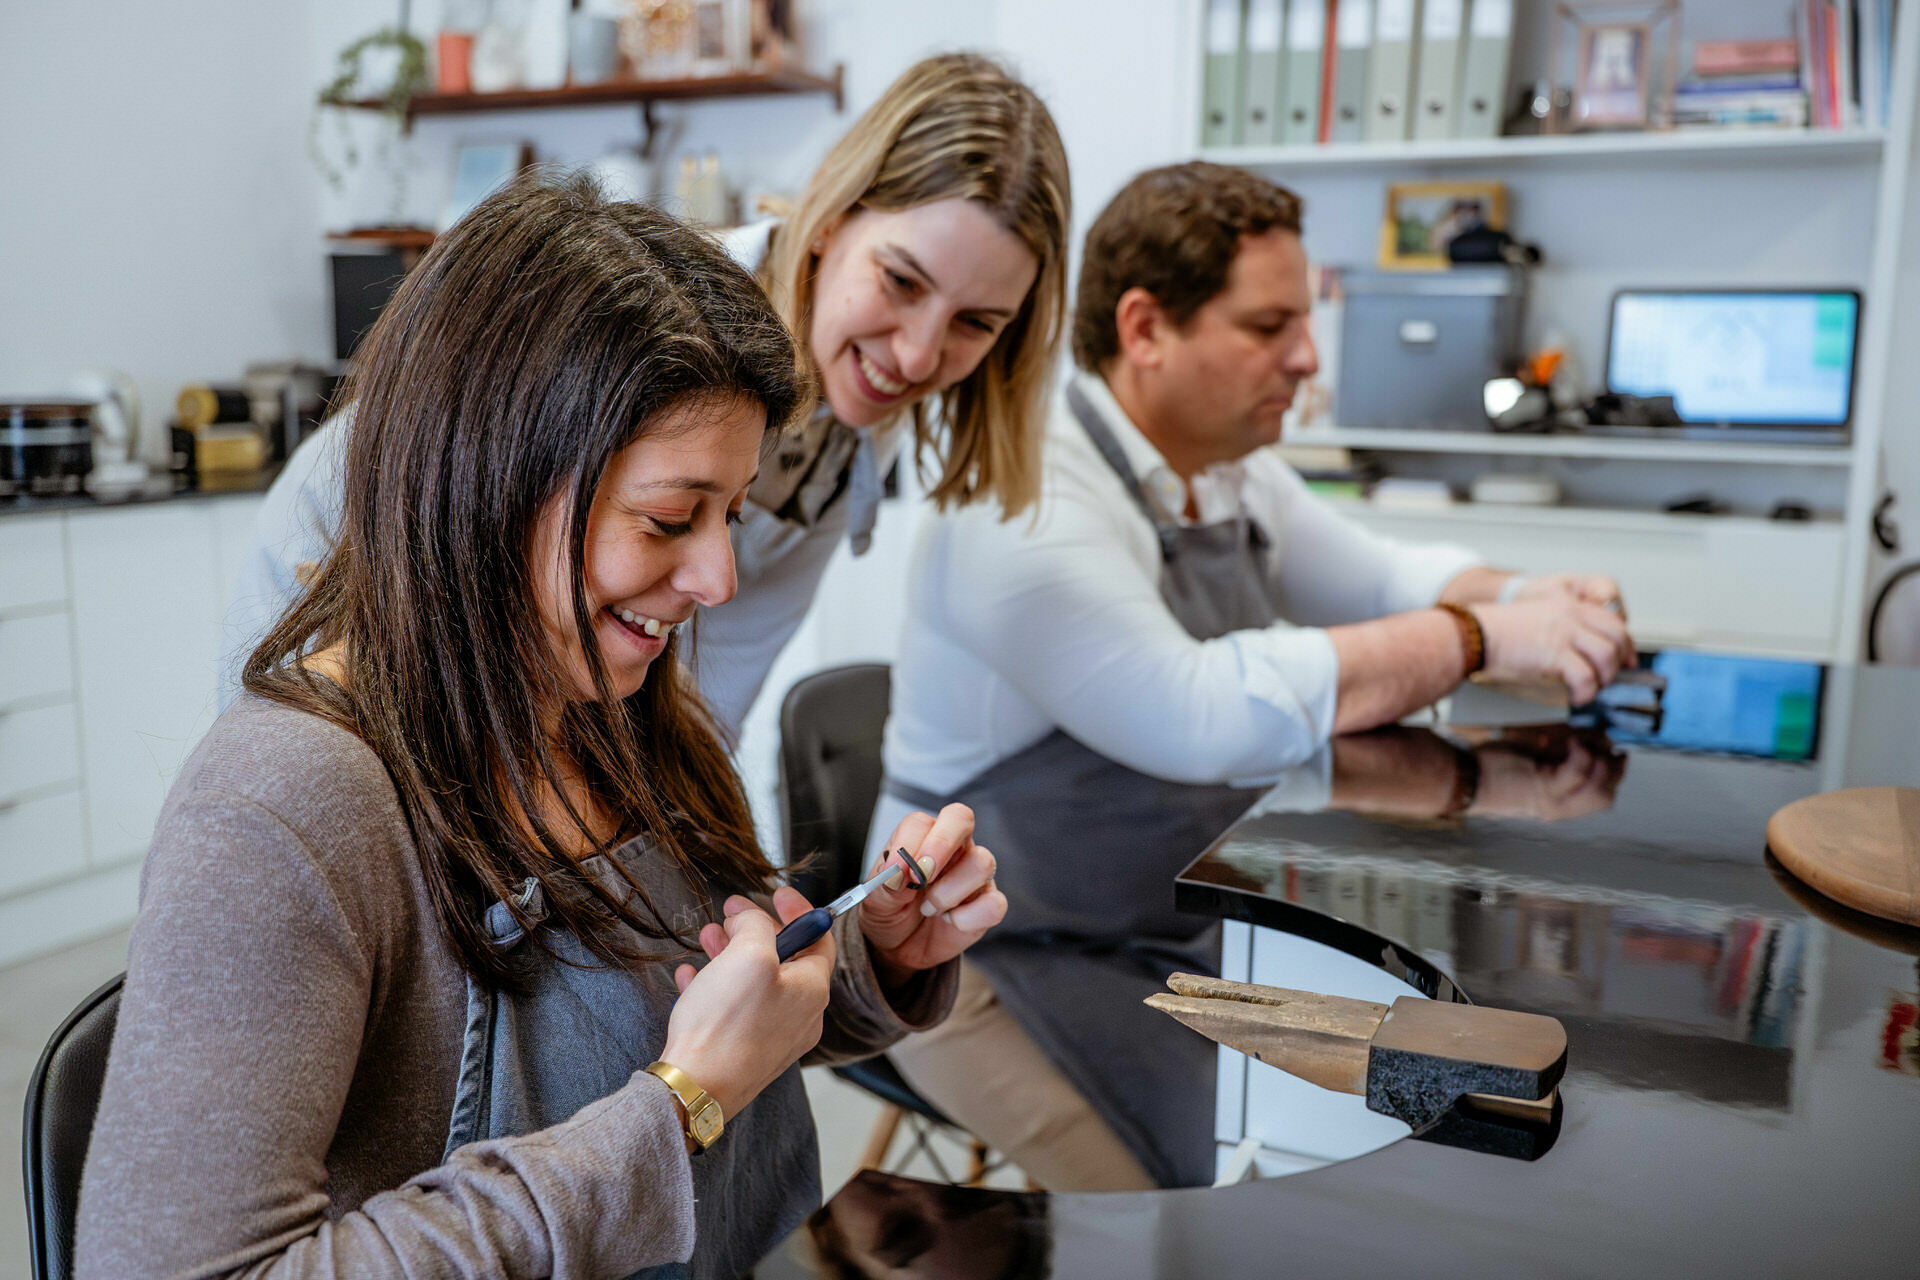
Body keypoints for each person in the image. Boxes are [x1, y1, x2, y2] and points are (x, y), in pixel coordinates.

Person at [77, 176, 1005, 1280]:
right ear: (488, 479)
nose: (715, 575)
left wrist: (862, 959)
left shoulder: (621, 711)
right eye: (669, 517)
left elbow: (706, 1017)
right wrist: (682, 1106)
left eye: (733, 513)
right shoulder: (281, 805)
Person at [865, 161, 1630, 1182]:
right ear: (1145, 329)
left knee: (1387, 1119)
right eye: (1268, 327)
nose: (1307, 357)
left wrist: (1541, 599)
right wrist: (1487, 634)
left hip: (1148, 934)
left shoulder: (1223, 465)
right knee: (1178, 1217)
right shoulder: (1026, 503)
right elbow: (1202, 710)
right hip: (971, 969)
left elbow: (1380, 578)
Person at [222, 52, 1072, 739]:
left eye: (976, 324)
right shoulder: (664, 329)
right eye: (900, 281)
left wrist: (717, 874)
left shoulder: (852, 428)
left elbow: (713, 696)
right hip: (346, 547)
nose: (920, 354)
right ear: (836, 219)